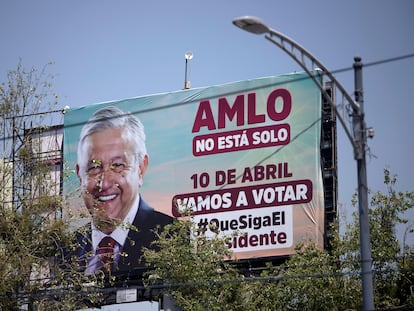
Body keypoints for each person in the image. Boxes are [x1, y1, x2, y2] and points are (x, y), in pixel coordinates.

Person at [66, 105, 173, 280]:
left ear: (141, 168)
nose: (105, 182)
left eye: (118, 166)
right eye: (94, 167)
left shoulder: (171, 237)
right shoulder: (66, 251)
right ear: (79, 174)